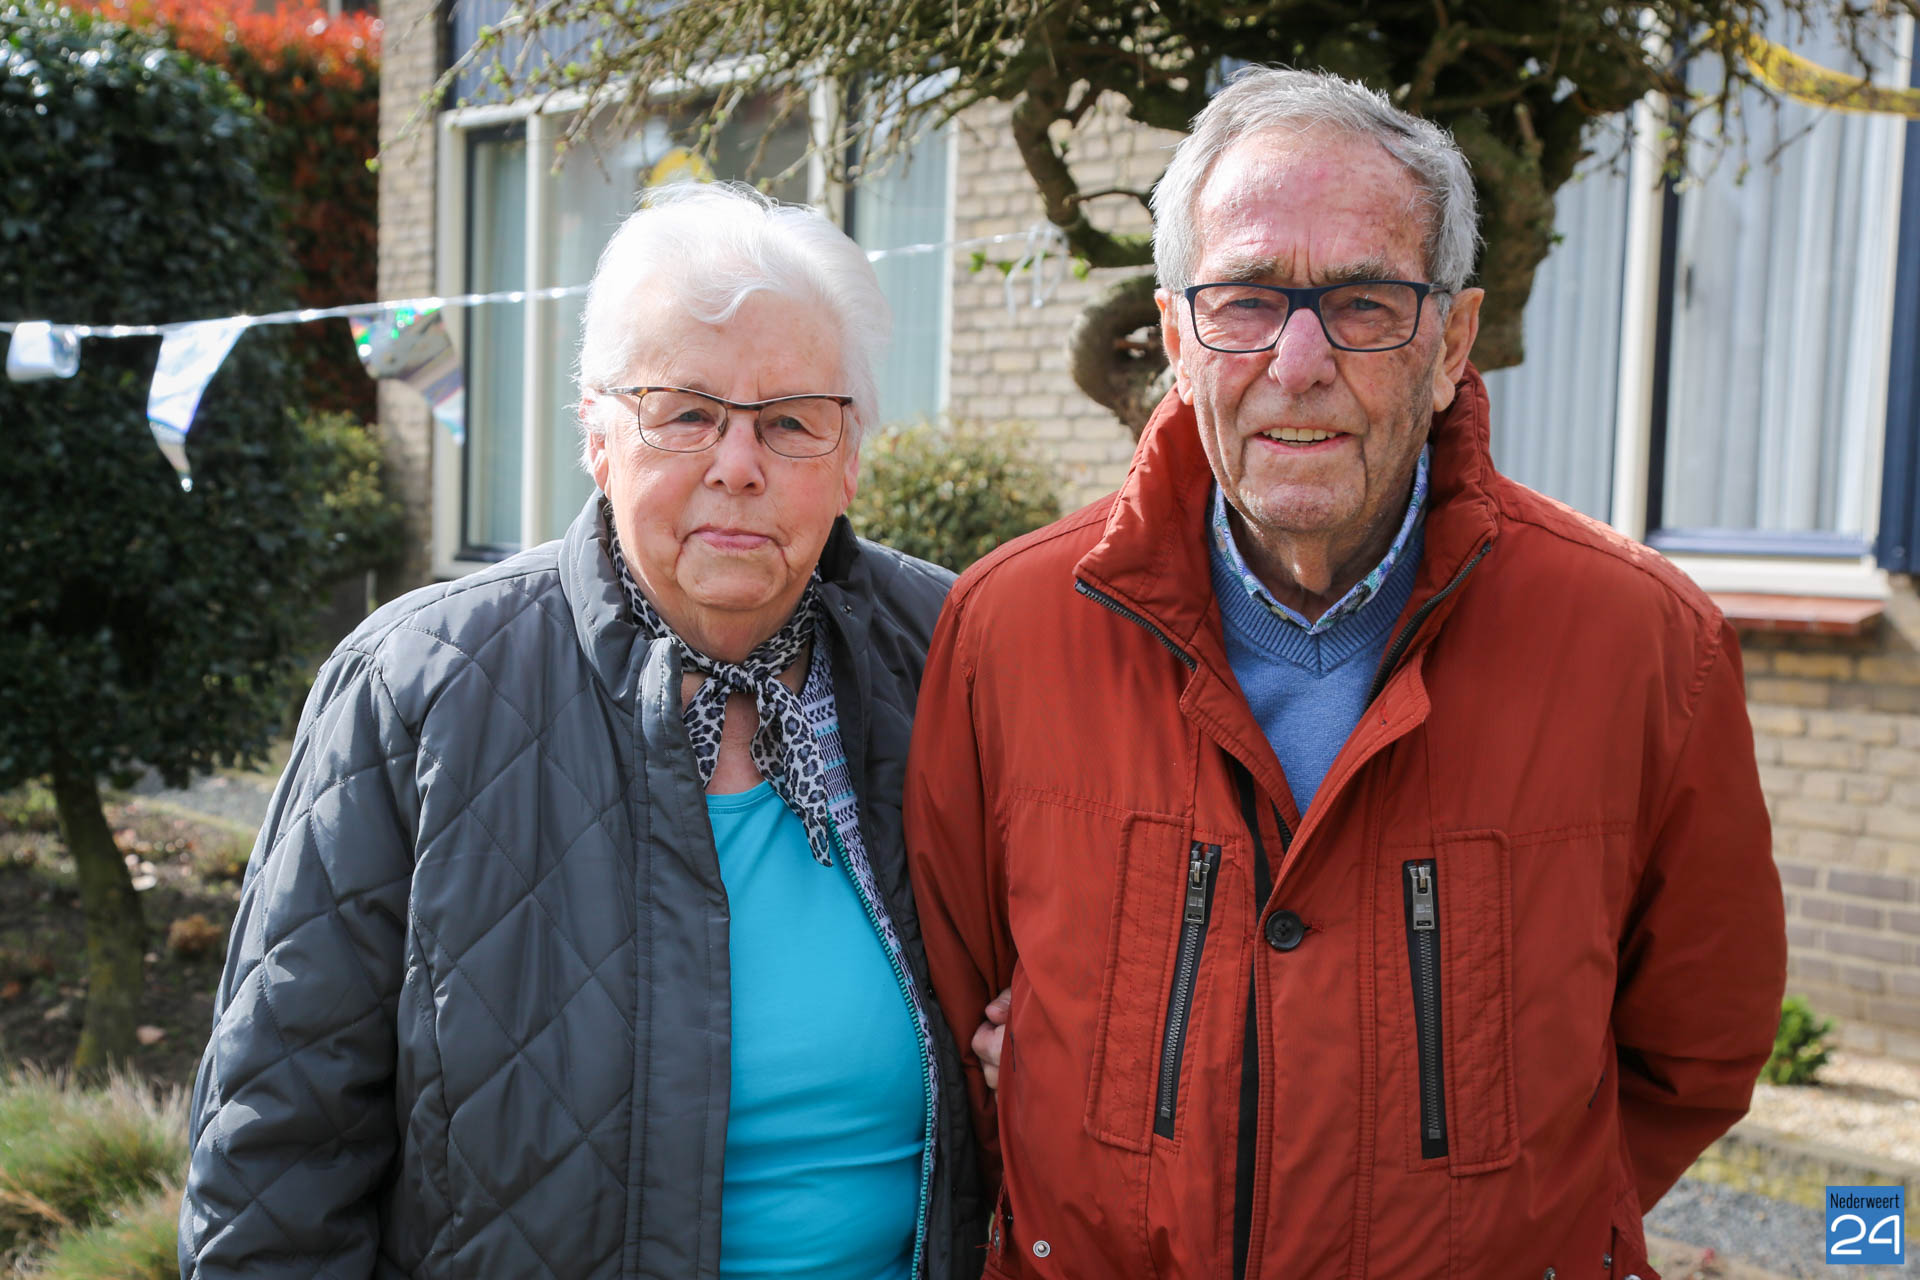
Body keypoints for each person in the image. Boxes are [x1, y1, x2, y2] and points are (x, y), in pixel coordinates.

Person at [906, 68, 1785, 1279]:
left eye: (1366, 302)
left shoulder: (1648, 646)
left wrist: (1522, 1224)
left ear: (1452, 342)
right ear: (1177, 338)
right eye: (1246, 299)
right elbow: (959, 1004)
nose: (1300, 359)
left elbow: (1696, 1048)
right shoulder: (1009, 628)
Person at [181, 182, 984, 1280]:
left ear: (848, 458)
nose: (737, 463)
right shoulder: (417, 686)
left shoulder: (956, 654)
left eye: (791, 420)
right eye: (685, 412)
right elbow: (277, 1159)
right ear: (598, 437)